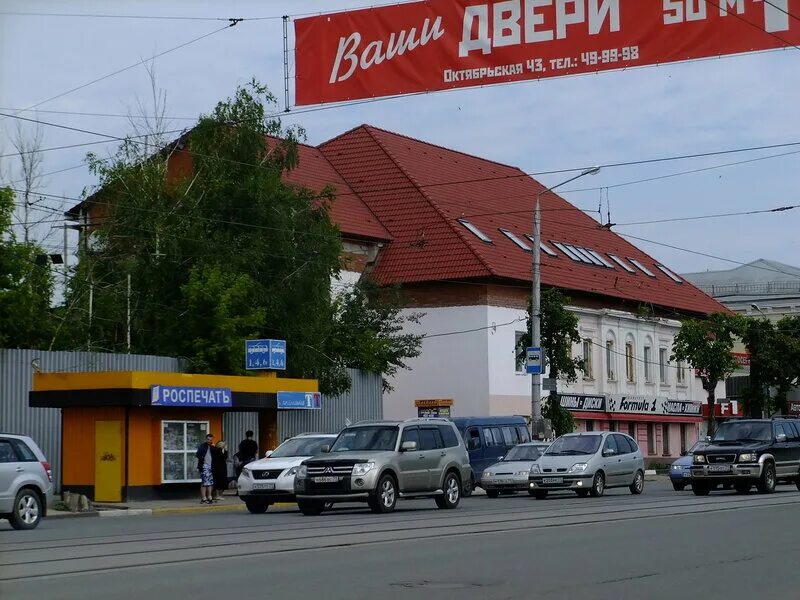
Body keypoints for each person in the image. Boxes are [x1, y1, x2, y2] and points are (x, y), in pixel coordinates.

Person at [195, 433, 215, 504]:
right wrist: (201, 462)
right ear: (206, 439)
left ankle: (209, 497)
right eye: (208, 439)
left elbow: (216, 456)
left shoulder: (213, 447)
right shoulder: (202, 446)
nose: (209, 441)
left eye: (210, 439)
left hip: (211, 466)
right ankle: (204, 497)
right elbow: (198, 455)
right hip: (204, 466)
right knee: (204, 482)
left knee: (210, 482)